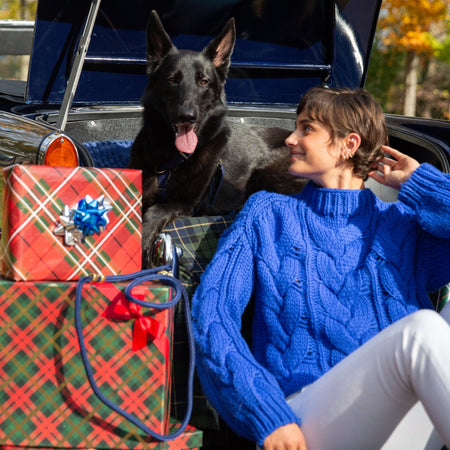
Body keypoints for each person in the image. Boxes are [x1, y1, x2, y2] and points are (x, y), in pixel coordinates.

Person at [191, 86, 450, 450]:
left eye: (307, 128)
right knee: (421, 331)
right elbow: (213, 311)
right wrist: (266, 413)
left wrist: (420, 184)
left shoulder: (402, 226)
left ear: (349, 144)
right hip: (309, 416)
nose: (291, 138)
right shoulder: (269, 215)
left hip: (406, 420)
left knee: (426, 329)